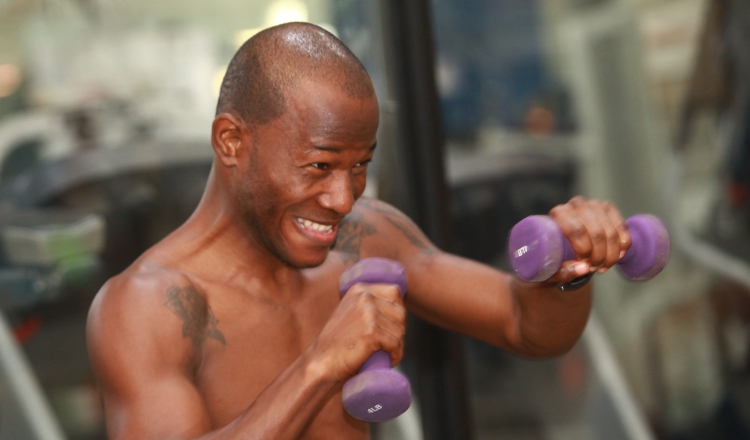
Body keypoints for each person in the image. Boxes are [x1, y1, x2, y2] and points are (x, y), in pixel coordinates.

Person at [86, 22, 631, 439]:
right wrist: (322, 364)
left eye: (360, 165)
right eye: (320, 166)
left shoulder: (368, 237)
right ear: (232, 142)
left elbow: (527, 327)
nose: (344, 198)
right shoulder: (148, 307)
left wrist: (568, 272)